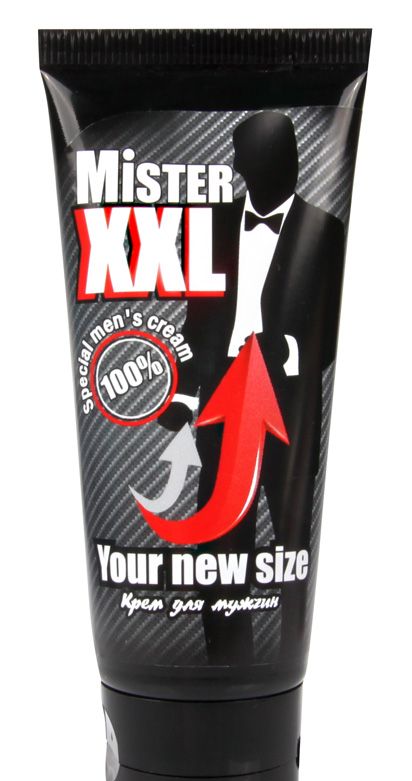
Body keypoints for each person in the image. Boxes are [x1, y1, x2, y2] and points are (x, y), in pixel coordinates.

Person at [161, 111, 345, 665]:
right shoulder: (215, 227)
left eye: (250, 159)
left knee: (293, 547)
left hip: (287, 406)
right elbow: (198, 327)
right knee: (219, 546)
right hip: (222, 402)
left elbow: (328, 334)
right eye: (243, 161)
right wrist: (184, 395)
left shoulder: (326, 231)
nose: (240, 169)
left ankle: (288, 660)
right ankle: (225, 661)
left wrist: (282, 350)